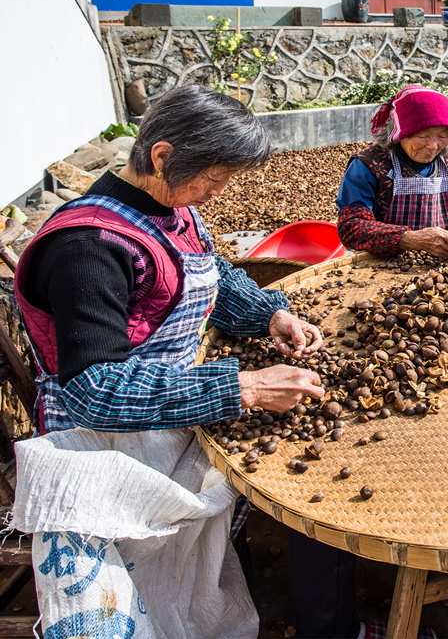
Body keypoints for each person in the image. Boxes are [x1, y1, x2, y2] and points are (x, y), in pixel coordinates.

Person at [13, 84, 325, 637]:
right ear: (162, 155)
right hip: (104, 446)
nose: (218, 193)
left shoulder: (172, 209)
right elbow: (95, 390)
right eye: (214, 178)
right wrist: (245, 387)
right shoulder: (88, 247)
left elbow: (209, 272)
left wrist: (268, 314)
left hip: (170, 415)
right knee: (137, 604)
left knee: (193, 583)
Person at [336, 84, 448, 258]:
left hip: (446, 260)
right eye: (423, 136)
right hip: (383, 263)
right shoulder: (369, 164)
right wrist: (408, 239)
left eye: (442, 136)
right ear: (399, 133)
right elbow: (352, 226)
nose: (433, 146)